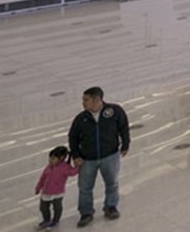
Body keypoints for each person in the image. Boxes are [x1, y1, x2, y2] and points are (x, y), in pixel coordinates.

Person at [68, 86, 129, 227]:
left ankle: (111, 206)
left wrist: (125, 145)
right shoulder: (81, 118)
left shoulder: (114, 111)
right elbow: (73, 137)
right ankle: (86, 212)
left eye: (86, 100)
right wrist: (76, 155)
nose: (83, 103)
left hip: (110, 155)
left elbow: (123, 127)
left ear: (97, 100)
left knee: (112, 182)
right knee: (85, 187)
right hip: (87, 159)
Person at [34, 146, 79, 229]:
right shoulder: (48, 167)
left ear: (61, 158)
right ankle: (46, 220)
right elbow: (42, 178)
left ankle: (55, 221)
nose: (50, 160)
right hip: (46, 192)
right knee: (43, 207)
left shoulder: (65, 167)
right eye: (50, 158)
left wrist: (78, 166)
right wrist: (38, 187)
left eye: (53, 158)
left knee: (57, 208)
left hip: (58, 193)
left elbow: (72, 172)